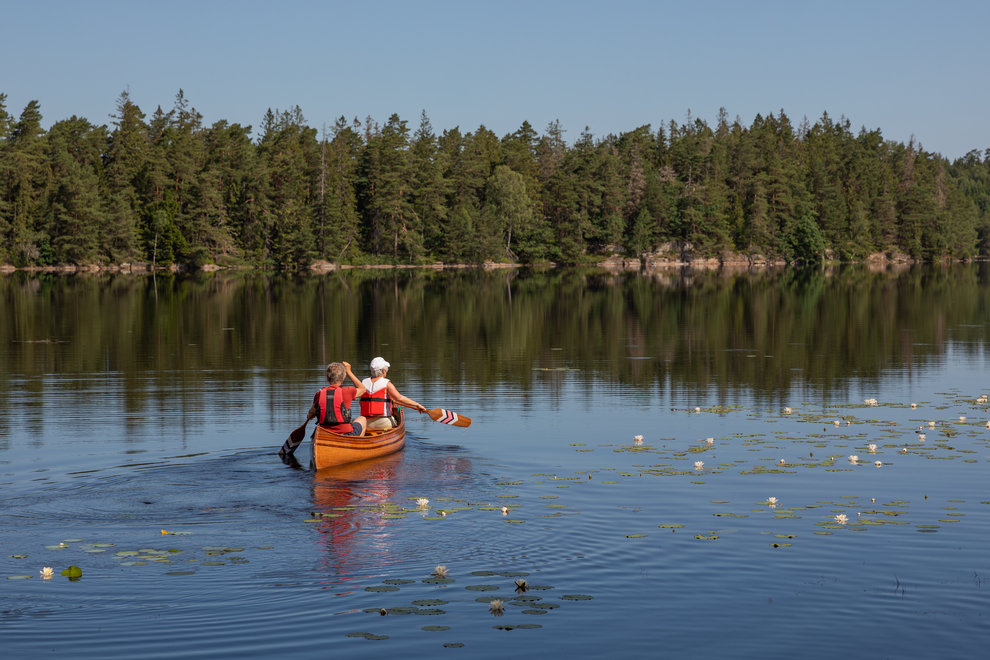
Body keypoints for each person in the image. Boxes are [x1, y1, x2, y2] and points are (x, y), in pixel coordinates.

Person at [360, 356, 427, 430]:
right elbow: (400, 398)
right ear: (383, 371)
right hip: (383, 423)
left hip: (366, 423)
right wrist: (417, 405)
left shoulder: (363, 383)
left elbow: (361, 402)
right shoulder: (387, 384)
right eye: (386, 369)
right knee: (396, 419)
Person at [308, 361, 367, 436]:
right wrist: (349, 372)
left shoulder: (319, 394)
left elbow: (310, 415)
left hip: (324, 434)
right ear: (343, 378)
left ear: (327, 378)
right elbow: (363, 389)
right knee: (362, 419)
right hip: (345, 433)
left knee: (352, 421)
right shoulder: (348, 391)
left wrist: (311, 415)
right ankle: (357, 445)